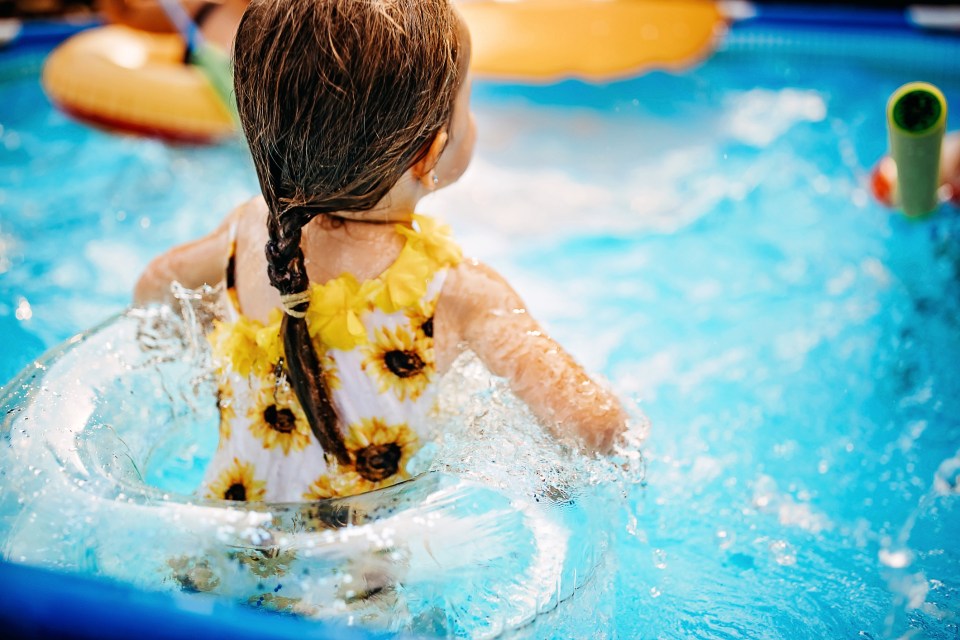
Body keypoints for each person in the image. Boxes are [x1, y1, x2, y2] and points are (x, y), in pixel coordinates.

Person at [134, 0, 629, 504]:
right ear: (430, 155)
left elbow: (156, 285)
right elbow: (596, 428)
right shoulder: (458, 291)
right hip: (359, 576)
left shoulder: (247, 232)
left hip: (217, 550)